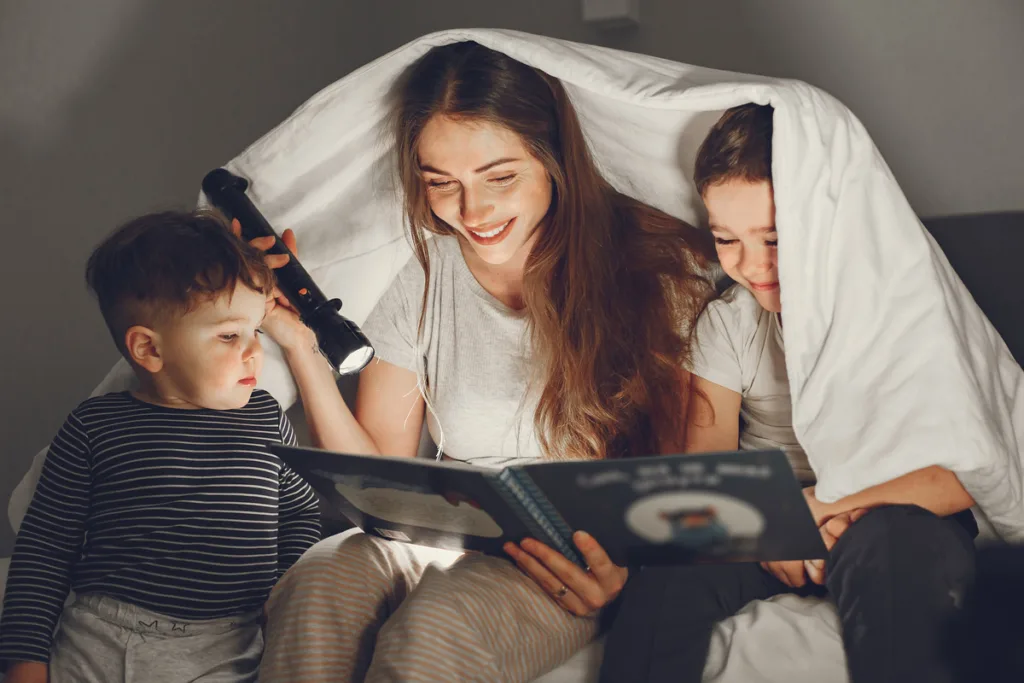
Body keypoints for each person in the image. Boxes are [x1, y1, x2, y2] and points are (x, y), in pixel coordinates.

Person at [251, 41, 715, 682]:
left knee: (439, 623)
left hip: (567, 552)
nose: (472, 213)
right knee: (320, 577)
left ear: (554, 160)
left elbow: (685, 474)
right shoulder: (420, 268)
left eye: (500, 177)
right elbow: (383, 477)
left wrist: (628, 571)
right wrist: (299, 345)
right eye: (442, 183)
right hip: (448, 529)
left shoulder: (660, 269)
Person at [598, 104, 978, 683]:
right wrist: (769, 526)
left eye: (774, 238)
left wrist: (820, 510)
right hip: (767, 512)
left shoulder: (902, 308)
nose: (752, 265)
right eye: (727, 239)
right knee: (671, 572)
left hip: (896, 508)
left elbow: (963, 476)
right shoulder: (730, 322)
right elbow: (707, 476)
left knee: (895, 546)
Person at [0, 211, 321, 683]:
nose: (254, 351)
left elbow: (300, 513)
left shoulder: (265, 420)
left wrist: (284, 595)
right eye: (230, 335)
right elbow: (45, 550)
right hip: (102, 635)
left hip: (226, 644)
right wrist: (24, 664)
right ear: (149, 350)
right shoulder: (96, 426)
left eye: (256, 331)